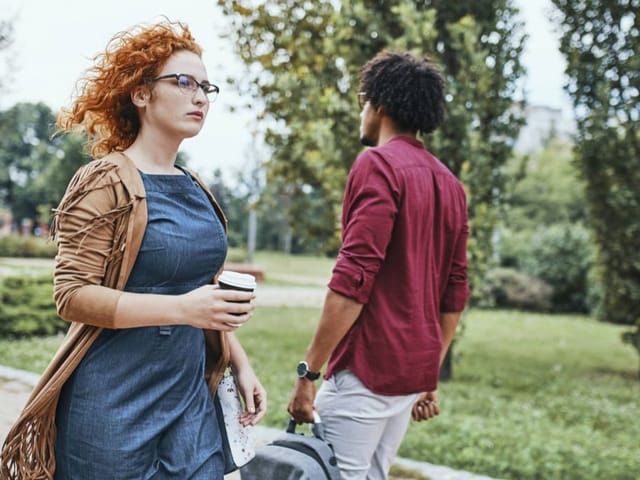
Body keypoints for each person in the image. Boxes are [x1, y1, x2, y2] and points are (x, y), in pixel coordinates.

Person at [0, 20, 266, 480]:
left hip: (188, 400)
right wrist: (183, 309)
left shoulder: (197, 187)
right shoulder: (104, 180)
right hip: (112, 406)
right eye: (184, 82)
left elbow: (204, 297)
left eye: (206, 87)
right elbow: (72, 295)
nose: (200, 96)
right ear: (141, 94)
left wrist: (240, 363)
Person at [287, 49, 470, 480]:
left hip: (366, 372)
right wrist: (429, 375)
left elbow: (353, 279)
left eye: (363, 102)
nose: (362, 113)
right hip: (409, 378)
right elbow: (455, 294)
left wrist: (308, 373)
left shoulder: (377, 165)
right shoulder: (450, 184)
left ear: (380, 107)